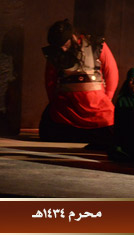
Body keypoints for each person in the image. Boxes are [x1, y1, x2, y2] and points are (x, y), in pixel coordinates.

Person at [39, 19, 118, 147]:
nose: (62, 49)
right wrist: (54, 101)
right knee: (48, 129)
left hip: (96, 107)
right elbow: (50, 80)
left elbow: (111, 72)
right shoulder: (56, 51)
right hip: (67, 108)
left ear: (72, 37)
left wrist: (107, 97)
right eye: (59, 46)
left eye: (65, 44)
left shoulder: (96, 45)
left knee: (111, 130)